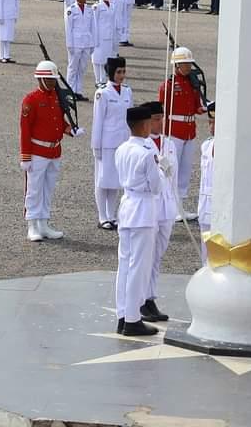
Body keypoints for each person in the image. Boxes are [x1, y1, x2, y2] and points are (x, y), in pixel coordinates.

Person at [20, 61, 83, 242]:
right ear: (40, 79)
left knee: (48, 189)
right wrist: (25, 156)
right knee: (34, 189)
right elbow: (25, 130)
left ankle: (44, 223)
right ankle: (32, 224)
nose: (52, 83)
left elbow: (58, 121)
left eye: (54, 80)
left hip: (54, 150)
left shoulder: (56, 97)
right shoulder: (30, 100)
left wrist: (70, 130)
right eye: (49, 79)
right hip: (37, 151)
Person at [113, 105, 162, 337]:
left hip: (126, 207)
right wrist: (163, 170)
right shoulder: (146, 152)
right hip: (142, 209)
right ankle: (133, 319)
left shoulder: (122, 149)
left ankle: (123, 315)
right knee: (138, 267)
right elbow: (155, 187)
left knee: (124, 264)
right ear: (144, 125)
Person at [159, 47, 204, 222]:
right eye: (185, 64)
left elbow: (196, 106)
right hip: (174, 131)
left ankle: (180, 207)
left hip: (189, 130)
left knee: (184, 171)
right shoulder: (168, 86)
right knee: (172, 170)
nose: (189, 67)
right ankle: (170, 207)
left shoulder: (192, 84)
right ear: (177, 65)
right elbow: (162, 111)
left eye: (189, 64)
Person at [143, 100, 176, 322]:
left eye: (161, 118)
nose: (160, 122)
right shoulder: (142, 145)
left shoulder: (169, 143)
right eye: (155, 119)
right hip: (151, 204)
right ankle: (143, 299)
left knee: (158, 255)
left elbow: (173, 176)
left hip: (167, 204)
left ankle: (150, 296)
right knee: (147, 254)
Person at [92, 56, 132, 229]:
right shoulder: (103, 93)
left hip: (122, 141)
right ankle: (102, 216)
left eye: (123, 71)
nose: (121, 75)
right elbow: (98, 121)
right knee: (102, 179)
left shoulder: (127, 91)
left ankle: (112, 215)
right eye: (118, 72)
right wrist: (96, 146)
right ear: (110, 73)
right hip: (107, 141)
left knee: (116, 180)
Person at [64, 0, 95, 100]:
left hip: (86, 42)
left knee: (82, 68)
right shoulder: (71, 10)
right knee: (73, 68)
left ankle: (78, 91)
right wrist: (69, 44)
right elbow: (68, 29)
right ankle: (70, 91)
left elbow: (93, 27)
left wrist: (92, 43)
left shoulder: (89, 9)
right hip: (75, 42)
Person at [90, 0, 119, 86]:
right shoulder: (97, 7)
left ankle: (103, 79)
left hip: (109, 36)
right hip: (100, 36)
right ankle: (98, 80)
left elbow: (114, 22)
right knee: (98, 59)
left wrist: (116, 37)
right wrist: (95, 39)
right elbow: (94, 23)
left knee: (106, 59)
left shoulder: (112, 5)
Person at [198, 101, 215, 262]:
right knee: (205, 254)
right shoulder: (206, 145)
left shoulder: (228, 147)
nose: (210, 126)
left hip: (218, 206)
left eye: (214, 122)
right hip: (204, 204)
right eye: (210, 122)